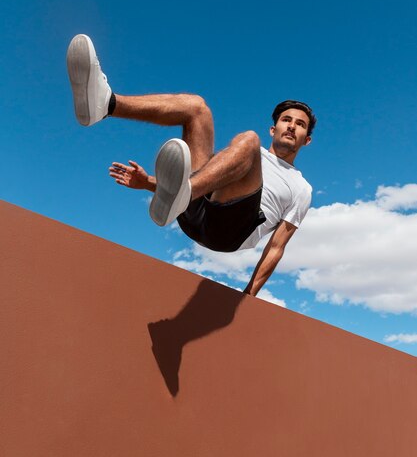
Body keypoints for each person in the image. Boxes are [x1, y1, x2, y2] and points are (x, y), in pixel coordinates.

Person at [67, 34, 316, 297]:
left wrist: (249, 295)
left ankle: (185, 192)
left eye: (300, 125)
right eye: (286, 120)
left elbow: (277, 246)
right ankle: (106, 104)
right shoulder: (239, 158)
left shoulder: (300, 187)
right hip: (196, 206)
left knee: (248, 141)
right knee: (196, 107)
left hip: (229, 231)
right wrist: (149, 184)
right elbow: (209, 178)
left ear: (307, 140)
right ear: (274, 128)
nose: (291, 126)